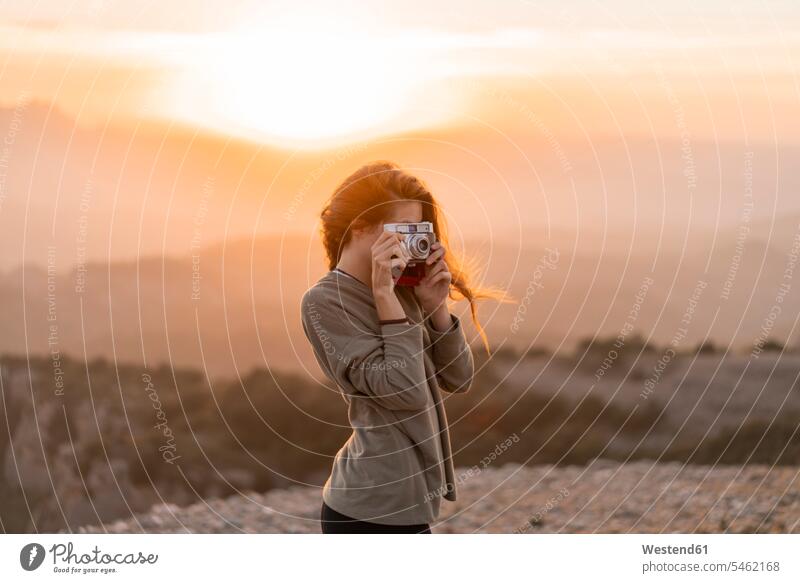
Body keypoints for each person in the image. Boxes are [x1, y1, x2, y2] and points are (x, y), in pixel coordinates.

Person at [300, 160, 498, 533]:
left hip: (410, 503)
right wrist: (385, 300)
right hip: (368, 507)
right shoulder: (324, 303)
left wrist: (435, 308)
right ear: (360, 226)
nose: (413, 240)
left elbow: (460, 378)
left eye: (419, 228)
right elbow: (403, 391)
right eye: (402, 229)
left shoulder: (404, 288)